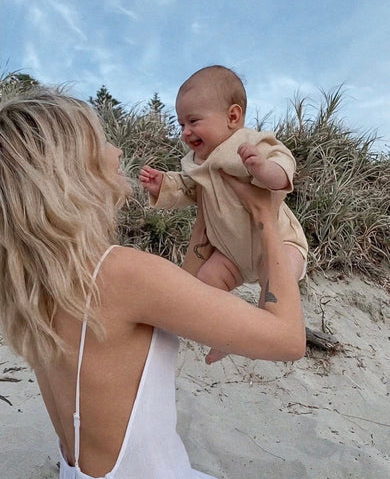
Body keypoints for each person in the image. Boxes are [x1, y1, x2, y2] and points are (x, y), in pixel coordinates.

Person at [0, 88, 305, 479]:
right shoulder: (124, 273)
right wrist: (266, 216)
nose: (117, 151)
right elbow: (289, 339)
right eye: (103, 140)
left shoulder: (41, 282)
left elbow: (177, 291)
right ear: (73, 166)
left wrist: (206, 214)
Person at [140, 65, 308, 363]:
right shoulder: (197, 162)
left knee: (276, 288)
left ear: (232, 116)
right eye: (181, 124)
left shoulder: (249, 143)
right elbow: (189, 189)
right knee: (204, 283)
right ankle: (225, 333)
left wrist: (263, 169)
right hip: (231, 253)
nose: (185, 132)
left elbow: (284, 164)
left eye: (193, 121)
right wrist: (162, 185)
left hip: (280, 243)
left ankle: (255, 332)